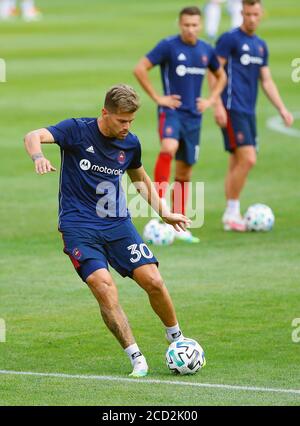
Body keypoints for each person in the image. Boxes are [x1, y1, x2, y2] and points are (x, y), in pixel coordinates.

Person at [24, 84, 193, 378]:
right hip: (78, 226)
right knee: (104, 286)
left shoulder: (130, 144)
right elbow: (33, 135)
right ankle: (136, 357)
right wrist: (38, 156)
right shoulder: (76, 130)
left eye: (131, 121)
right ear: (105, 113)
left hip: (117, 223)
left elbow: (139, 178)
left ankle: (176, 338)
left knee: (153, 280)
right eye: (122, 121)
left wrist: (164, 211)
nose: (127, 127)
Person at [134, 6, 226, 243]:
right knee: (168, 148)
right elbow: (140, 68)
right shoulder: (168, 46)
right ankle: (159, 208)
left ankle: (180, 223)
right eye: (186, 24)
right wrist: (158, 97)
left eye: (195, 25)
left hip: (194, 118)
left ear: (201, 25)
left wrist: (211, 100)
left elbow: (221, 76)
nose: (190, 29)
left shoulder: (206, 50)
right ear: (179, 24)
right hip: (171, 112)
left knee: (185, 172)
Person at [210, 0, 294, 231]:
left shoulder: (260, 46)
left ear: (261, 14)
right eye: (248, 14)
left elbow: (266, 80)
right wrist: (216, 103)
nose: (252, 19)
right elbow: (214, 72)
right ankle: (231, 212)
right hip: (231, 107)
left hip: (248, 110)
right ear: (242, 13)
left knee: (237, 160)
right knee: (248, 159)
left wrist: (282, 109)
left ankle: (231, 213)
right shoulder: (229, 39)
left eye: (256, 14)